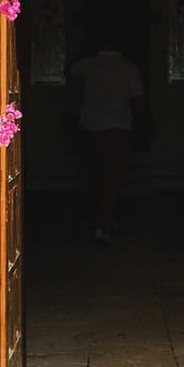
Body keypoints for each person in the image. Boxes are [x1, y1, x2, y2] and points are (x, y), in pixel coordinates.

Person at [70, 32, 147, 244]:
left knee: (94, 177)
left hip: (90, 128)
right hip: (119, 129)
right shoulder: (129, 69)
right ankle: (103, 224)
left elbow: (70, 73)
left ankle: (98, 222)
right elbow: (139, 103)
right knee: (112, 180)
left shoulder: (87, 65)